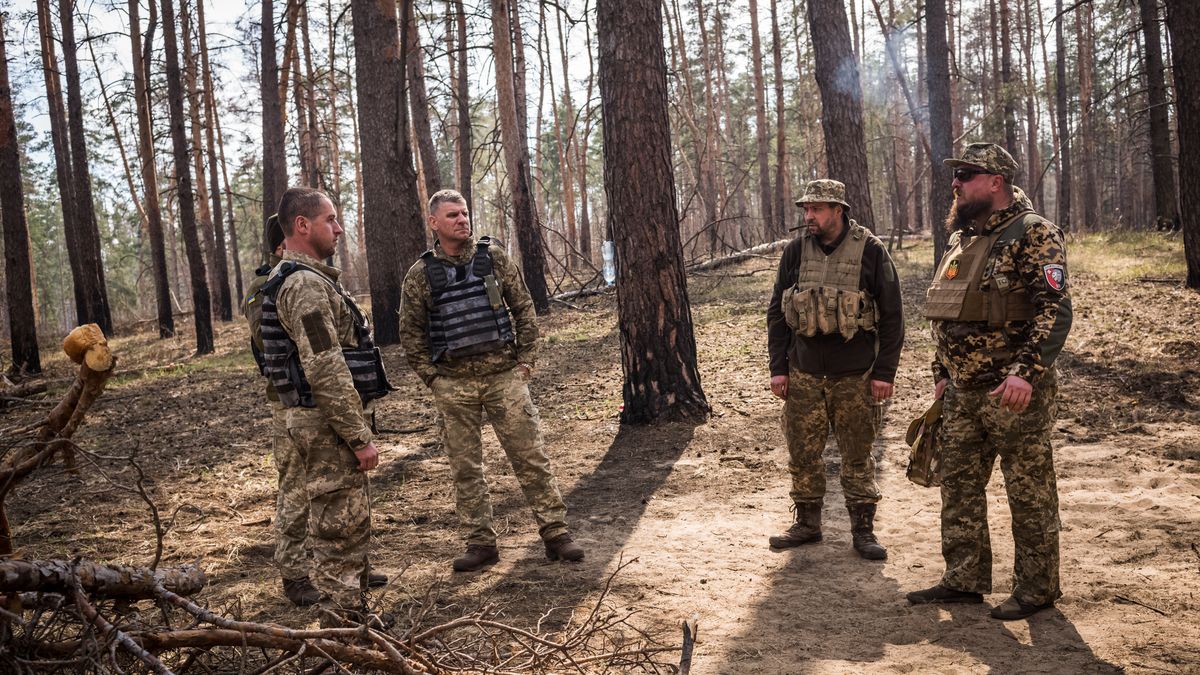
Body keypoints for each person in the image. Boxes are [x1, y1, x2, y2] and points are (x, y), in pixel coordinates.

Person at [906, 143, 1072, 621]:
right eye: (956, 175)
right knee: (957, 485)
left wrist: (1025, 372)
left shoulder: (1033, 233)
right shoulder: (963, 239)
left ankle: (1037, 589)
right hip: (961, 392)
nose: (955, 184)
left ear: (995, 181)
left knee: (1028, 490)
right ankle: (964, 579)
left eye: (967, 175)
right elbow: (947, 314)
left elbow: (1054, 308)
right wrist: (941, 375)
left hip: (1013, 392)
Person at [399, 188, 583, 572]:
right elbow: (411, 332)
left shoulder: (493, 257)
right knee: (466, 468)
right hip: (453, 383)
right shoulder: (420, 275)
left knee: (530, 457)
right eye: (452, 215)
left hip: (504, 377)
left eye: (464, 213)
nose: (462, 220)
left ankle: (556, 535)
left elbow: (524, 308)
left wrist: (526, 363)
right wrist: (433, 378)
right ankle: (481, 543)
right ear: (434, 222)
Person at [255, 187, 393, 624]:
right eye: (330, 219)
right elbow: (325, 367)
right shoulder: (304, 285)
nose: (338, 227)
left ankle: (351, 615)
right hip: (323, 422)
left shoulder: (309, 279)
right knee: (338, 527)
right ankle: (345, 626)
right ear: (302, 225)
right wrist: (357, 435)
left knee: (347, 520)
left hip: (321, 419)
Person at [765, 179, 904, 559]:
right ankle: (808, 524)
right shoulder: (795, 251)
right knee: (803, 452)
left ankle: (863, 530)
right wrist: (779, 368)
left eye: (816, 209)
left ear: (837, 211)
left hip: (855, 374)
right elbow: (777, 314)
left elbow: (893, 316)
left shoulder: (870, 251)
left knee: (857, 453)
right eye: (806, 210)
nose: (808, 216)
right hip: (804, 372)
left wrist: (884, 374)